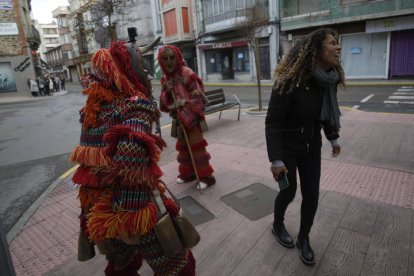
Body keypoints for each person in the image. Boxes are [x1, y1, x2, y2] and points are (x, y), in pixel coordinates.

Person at [70, 41, 195, 276]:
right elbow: (131, 152)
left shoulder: (92, 109)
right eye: (140, 63)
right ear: (127, 69)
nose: (146, 71)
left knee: (122, 266)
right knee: (178, 266)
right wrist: (130, 216)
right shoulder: (135, 105)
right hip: (130, 205)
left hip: (95, 208)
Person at [265, 27, 344, 266]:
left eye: (337, 43)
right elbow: (273, 121)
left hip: (312, 146)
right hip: (287, 148)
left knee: (312, 195)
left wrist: (333, 137)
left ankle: (304, 238)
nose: (338, 47)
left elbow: (324, 115)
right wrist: (276, 159)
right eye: (333, 43)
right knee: (288, 191)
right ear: (317, 48)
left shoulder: (326, 80)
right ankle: (277, 224)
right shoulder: (290, 79)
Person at [158, 45, 215, 190]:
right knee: (183, 148)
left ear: (177, 57)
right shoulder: (165, 78)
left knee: (197, 147)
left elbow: (200, 95)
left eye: (172, 57)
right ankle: (188, 173)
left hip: (192, 119)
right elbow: (165, 104)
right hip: (179, 120)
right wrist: (166, 90)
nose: (169, 62)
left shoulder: (187, 73)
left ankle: (205, 177)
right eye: (165, 59)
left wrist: (185, 103)